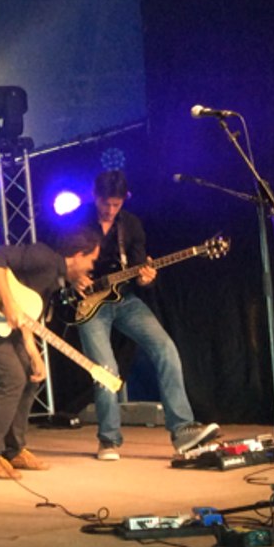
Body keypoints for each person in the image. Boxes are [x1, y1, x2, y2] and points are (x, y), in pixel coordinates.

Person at [76, 170, 219, 460]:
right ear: (95, 196)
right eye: (106, 203)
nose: (110, 210)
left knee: (165, 348)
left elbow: (141, 269)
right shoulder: (76, 221)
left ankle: (183, 430)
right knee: (106, 369)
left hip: (125, 299)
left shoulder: (131, 225)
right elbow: (58, 260)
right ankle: (109, 440)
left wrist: (146, 278)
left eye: (116, 204)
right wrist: (72, 277)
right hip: (88, 303)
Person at [0, 227, 100, 479]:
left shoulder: (52, 279)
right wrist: (8, 304)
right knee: (10, 379)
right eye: (91, 260)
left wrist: (34, 355)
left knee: (31, 375)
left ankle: (14, 449)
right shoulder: (44, 258)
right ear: (77, 254)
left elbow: (26, 315)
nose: (91, 268)